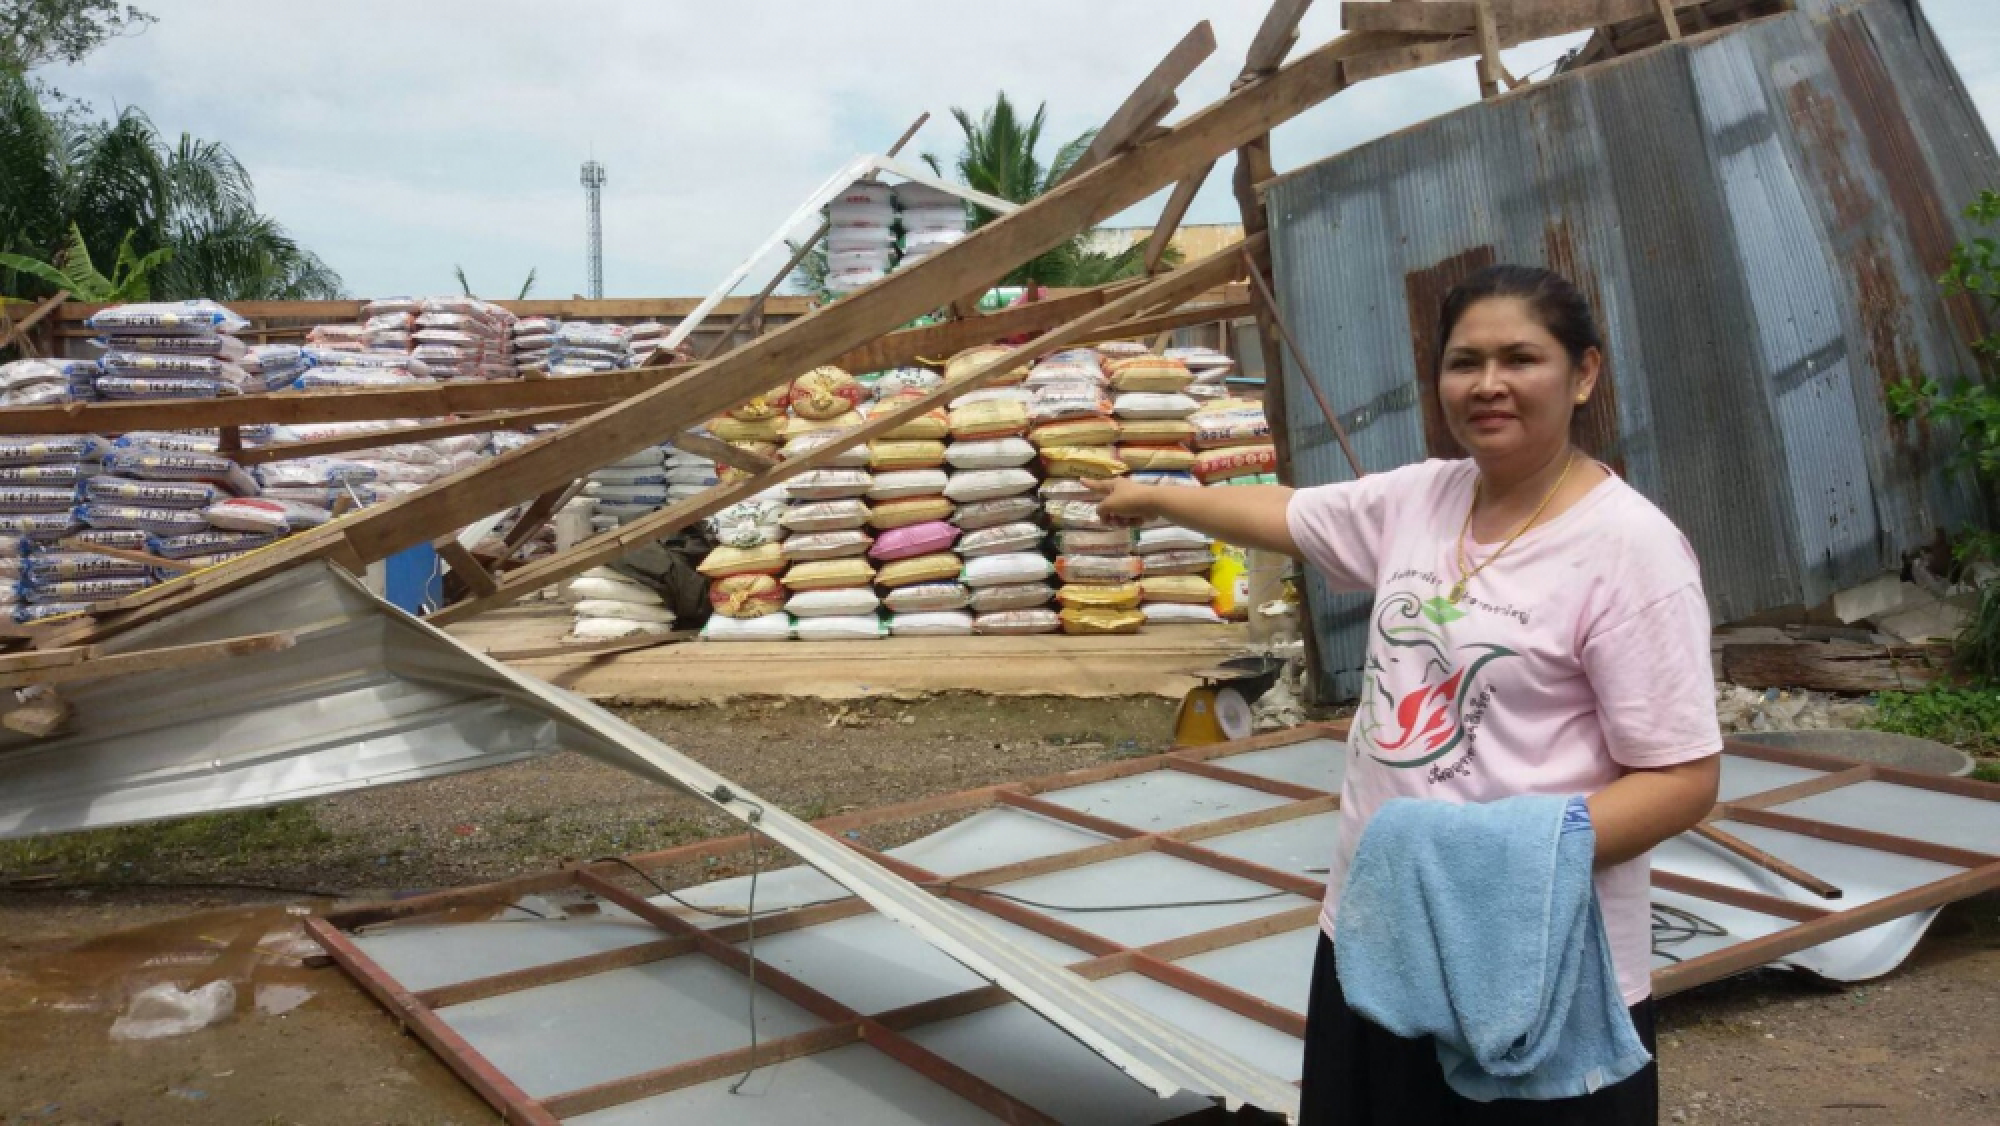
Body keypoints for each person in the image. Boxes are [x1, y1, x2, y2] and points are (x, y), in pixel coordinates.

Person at [1085, 264, 1722, 1124]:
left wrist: (1485, 861)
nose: (1487, 385)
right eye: (1464, 363)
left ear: (1583, 374)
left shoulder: (1629, 551)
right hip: (1377, 930)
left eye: (1519, 359)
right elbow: (1290, 514)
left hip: (1533, 956)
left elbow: (1684, 780)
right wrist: (1158, 496)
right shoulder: (1424, 497)